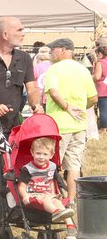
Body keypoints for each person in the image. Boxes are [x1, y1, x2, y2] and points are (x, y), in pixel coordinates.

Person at [44, 38, 98, 200]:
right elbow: (94, 98)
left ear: (63, 50)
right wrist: (80, 109)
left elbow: (53, 92)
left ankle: (52, 197)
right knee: (74, 164)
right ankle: (71, 199)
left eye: (53, 50)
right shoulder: (83, 70)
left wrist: (67, 108)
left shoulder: (54, 69)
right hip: (79, 125)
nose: (51, 53)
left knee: (51, 163)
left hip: (58, 125)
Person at [17, 137, 76, 234]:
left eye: (45, 154)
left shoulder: (52, 166)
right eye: (38, 153)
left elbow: (52, 181)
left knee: (57, 201)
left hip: (47, 194)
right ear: (32, 152)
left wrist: (54, 193)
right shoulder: (28, 169)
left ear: (51, 155)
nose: (41, 157)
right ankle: (57, 213)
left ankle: (70, 225)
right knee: (46, 199)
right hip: (33, 196)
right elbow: (21, 186)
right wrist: (25, 196)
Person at [91, 45, 107, 133]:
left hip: (103, 89)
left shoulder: (100, 62)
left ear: (100, 53)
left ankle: (103, 128)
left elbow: (97, 76)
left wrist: (89, 78)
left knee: (104, 110)